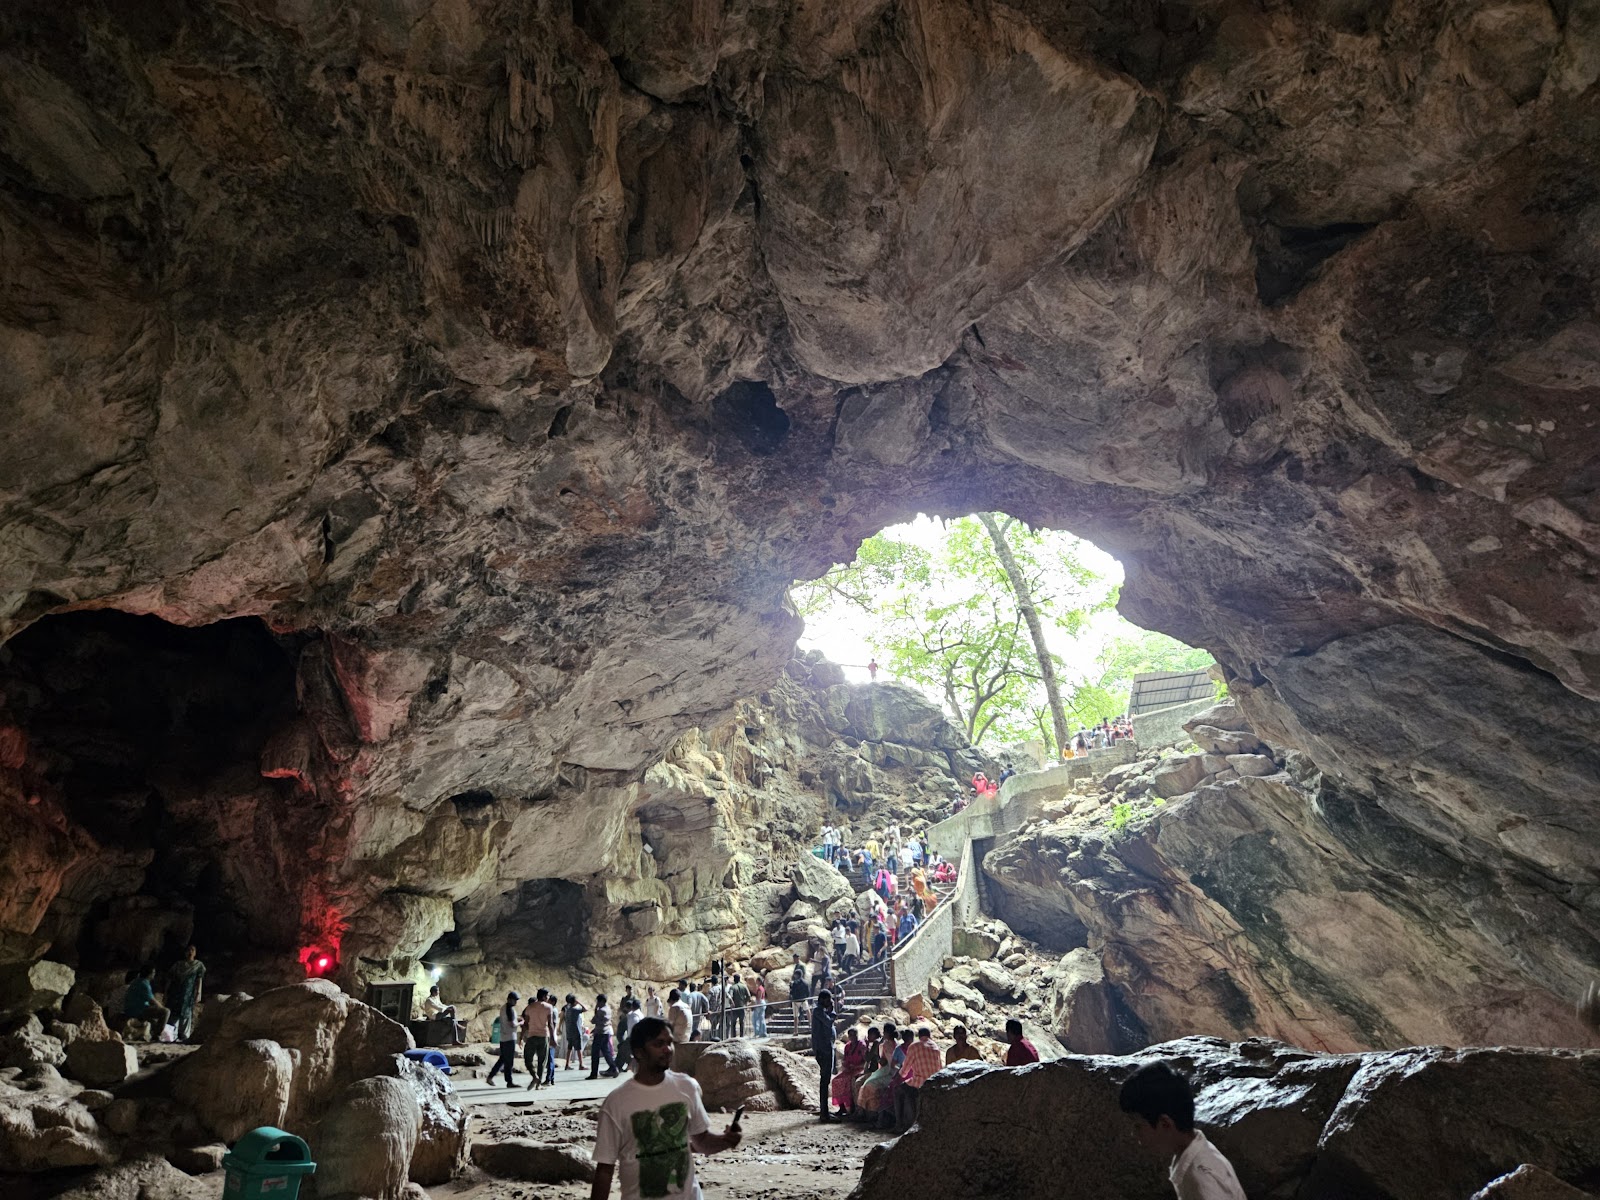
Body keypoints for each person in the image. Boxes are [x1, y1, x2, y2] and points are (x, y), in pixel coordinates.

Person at [590, 1017, 742, 1200]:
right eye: (659, 1043)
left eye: (670, 1043)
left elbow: (701, 1141)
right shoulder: (616, 1103)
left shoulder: (687, 1087)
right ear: (639, 1052)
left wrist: (726, 1140)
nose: (668, 1049)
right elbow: (605, 1169)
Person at [1120, 1062, 1246, 1200]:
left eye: (1138, 1126)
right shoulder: (1195, 1152)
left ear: (1165, 1124)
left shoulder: (1201, 1179)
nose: (1134, 1133)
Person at [896, 1027, 941, 1132]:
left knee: (898, 1091)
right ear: (929, 1036)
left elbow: (905, 1070)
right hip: (934, 1083)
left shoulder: (914, 1046)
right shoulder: (936, 1047)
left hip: (920, 1083)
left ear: (919, 1036)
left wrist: (900, 1075)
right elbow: (940, 1068)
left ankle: (900, 1124)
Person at [166, 946, 206, 1043]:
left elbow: (199, 979)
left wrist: (198, 993)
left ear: (195, 953)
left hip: (188, 993)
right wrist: (166, 991)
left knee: (186, 1013)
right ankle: (169, 1036)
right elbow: (170, 979)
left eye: (192, 950)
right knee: (173, 1013)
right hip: (175, 992)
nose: (190, 952)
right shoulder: (178, 965)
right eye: (188, 950)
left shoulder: (198, 965)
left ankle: (183, 1036)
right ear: (184, 953)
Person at [811, 990, 837, 1122]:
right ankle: (824, 1114)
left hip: (827, 1047)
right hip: (824, 1049)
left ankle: (825, 1111)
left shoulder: (822, 1011)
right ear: (822, 999)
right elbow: (829, 1022)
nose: (830, 1002)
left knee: (826, 1081)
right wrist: (832, 1011)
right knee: (824, 1081)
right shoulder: (818, 1011)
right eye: (828, 1000)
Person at [122, 966, 168, 1038]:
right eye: (154, 973)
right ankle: (157, 1035)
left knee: (153, 1020)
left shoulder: (136, 982)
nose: (154, 974)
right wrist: (162, 1008)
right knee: (166, 1012)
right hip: (137, 1011)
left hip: (131, 1009)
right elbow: (153, 1001)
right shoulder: (144, 984)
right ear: (150, 974)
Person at [830, 1025, 866, 1117]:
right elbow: (845, 1059)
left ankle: (852, 1108)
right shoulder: (847, 1046)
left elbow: (865, 1061)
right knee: (836, 1081)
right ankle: (842, 1107)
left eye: (854, 1035)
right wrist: (845, 1065)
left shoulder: (861, 1045)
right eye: (851, 1035)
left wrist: (856, 1066)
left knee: (849, 1081)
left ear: (857, 1035)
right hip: (849, 1069)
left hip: (859, 1068)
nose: (852, 1037)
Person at [524, 989, 557, 1089]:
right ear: (543, 996)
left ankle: (534, 1076)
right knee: (542, 1061)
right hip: (543, 1036)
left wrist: (523, 1036)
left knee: (528, 1060)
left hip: (532, 1035)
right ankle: (538, 1084)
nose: (548, 998)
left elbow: (526, 1023)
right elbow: (550, 1024)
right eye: (547, 996)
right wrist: (553, 1038)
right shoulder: (549, 1007)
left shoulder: (529, 1007)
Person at [487, 991, 520, 1087]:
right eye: (514, 1000)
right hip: (510, 1037)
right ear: (510, 999)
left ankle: (490, 1077)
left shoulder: (503, 1008)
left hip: (503, 1038)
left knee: (503, 1059)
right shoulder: (509, 1009)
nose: (515, 1002)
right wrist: (520, 1023)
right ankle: (509, 1081)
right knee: (509, 1061)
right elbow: (512, 1024)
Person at [589, 992, 620, 1079]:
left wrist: (596, 1009)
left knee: (595, 1053)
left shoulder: (601, 1011)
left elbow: (593, 1020)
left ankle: (594, 1073)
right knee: (606, 1053)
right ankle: (614, 1068)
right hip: (606, 1032)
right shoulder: (608, 1009)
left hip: (600, 1033)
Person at [562, 994, 588, 1070]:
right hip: (576, 1031)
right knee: (578, 1049)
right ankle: (581, 1064)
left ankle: (567, 1064)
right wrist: (579, 1002)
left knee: (569, 1048)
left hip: (569, 1031)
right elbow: (585, 1009)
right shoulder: (575, 1010)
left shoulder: (567, 1009)